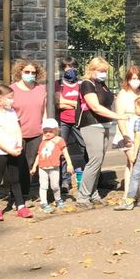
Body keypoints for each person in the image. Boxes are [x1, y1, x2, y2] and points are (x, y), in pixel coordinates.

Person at [77, 57, 125, 208]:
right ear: (92, 70)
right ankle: (83, 197)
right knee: (94, 160)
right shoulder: (87, 84)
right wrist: (118, 116)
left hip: (105, 125)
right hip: (91, 124)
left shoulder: (101, 85)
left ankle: (93, 194)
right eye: (101, 70)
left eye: (105, 71)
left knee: (98, 161)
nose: (103, 73)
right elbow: (95, 107)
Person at [0, 84, 31, 220]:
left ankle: (21, 206)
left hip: (15, 151)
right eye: (9, 98)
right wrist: (8, 150)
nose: (12, 101)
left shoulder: (12, 112)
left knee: (15, 180)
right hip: (1, 152)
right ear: (0, 98)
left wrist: (19, 145)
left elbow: (18, 129)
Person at [10, 59, 47, 207]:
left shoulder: (41, 89)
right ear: (20, 72)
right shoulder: (11, 89)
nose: (30, 74)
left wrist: (45, 129)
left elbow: (44, 110)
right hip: (16, 133)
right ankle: (14, 196)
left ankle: (24, 194)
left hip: (36, 133)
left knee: (29, 165)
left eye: (33, 72)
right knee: (16, 165)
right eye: (27, 72)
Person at [54, 57, 86, 201]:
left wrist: (66, 103)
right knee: (61, 150)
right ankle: (65, 181)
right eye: (67, 67)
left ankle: (87, 178)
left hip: (79, 120)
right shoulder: (58, 84)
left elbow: (84, 103)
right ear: (62, 69)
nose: (70, 69)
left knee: (85, 147)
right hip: (63, 121)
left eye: (73, 66)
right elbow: (57, 103)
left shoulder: (82, 84)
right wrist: (74, 104)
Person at [30, 118, 73, 213]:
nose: (48, 133)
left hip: (54, 167)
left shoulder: (59, 140)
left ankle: (58, 199)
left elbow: (65, 152)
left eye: (50, 131)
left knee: (55, 186)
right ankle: (43, 202)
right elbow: (39, 154)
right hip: (42, 167)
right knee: (43, 186)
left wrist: (69, 164)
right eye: (45, 131)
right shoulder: (43, 141)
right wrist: (34, 167)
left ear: (56, 130)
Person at [115, 66, 140, 197]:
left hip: (139, 131)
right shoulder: (123, 94)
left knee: (132, 163)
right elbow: (120, 116)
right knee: (133, 161)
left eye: (138, 78)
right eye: (133, 78)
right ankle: (137, 193)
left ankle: (129, 193)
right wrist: (125, 135)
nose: (135, 81)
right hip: (127, 130)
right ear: (128, 79)